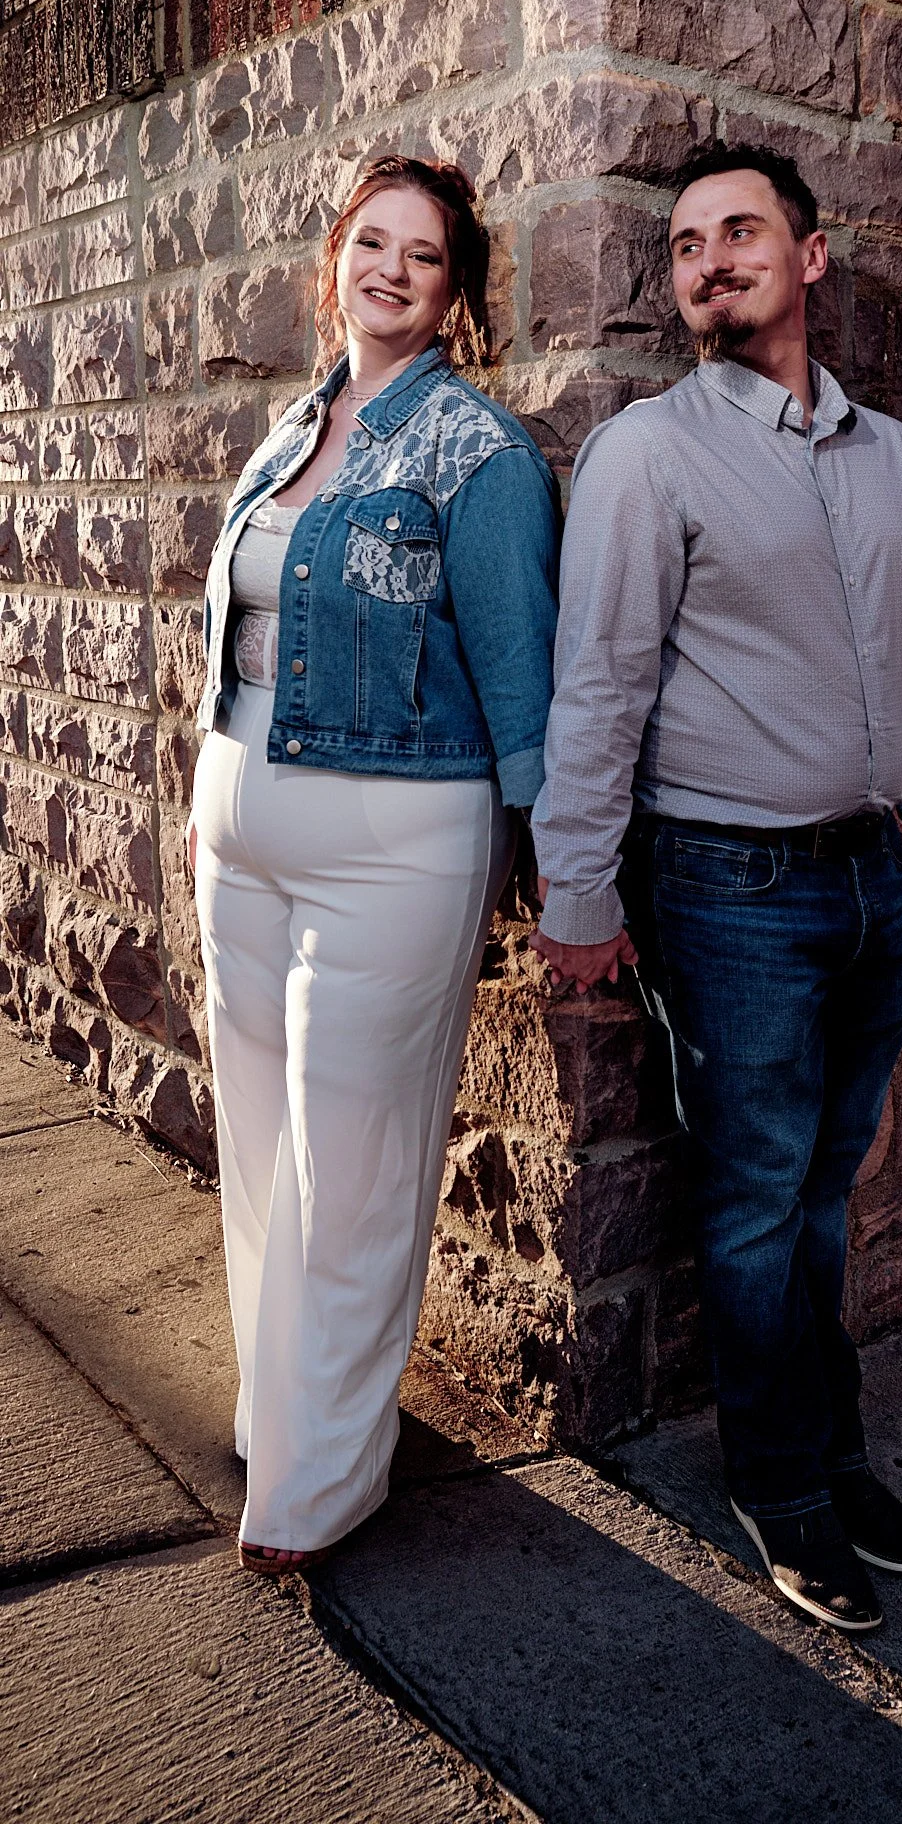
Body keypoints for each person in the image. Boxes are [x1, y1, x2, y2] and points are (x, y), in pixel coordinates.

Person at [529, 143, 902, 1634]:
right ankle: (782, 1483)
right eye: (683, 245)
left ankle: (830, 1453)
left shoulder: (895, 459)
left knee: (821, 1203)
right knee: (749, 1207)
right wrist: (580, 893)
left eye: (741, 230)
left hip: (873, 880)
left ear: (812, 258)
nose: (710, 259)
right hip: (726, 886)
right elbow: (596, 688)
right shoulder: (649, 455)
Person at [188, 156, 560, 1574]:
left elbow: (524, 685)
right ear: (335, 257)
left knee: (353, 1171)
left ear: (456, 290)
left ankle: (319, 1490)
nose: (391, 269)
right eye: (371, 242)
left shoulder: (481, 453)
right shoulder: (286, 430)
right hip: (240, 835)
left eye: (424, 254)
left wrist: (564, 877)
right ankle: (279, 1415)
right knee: (261, 1154)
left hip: (393, 852)